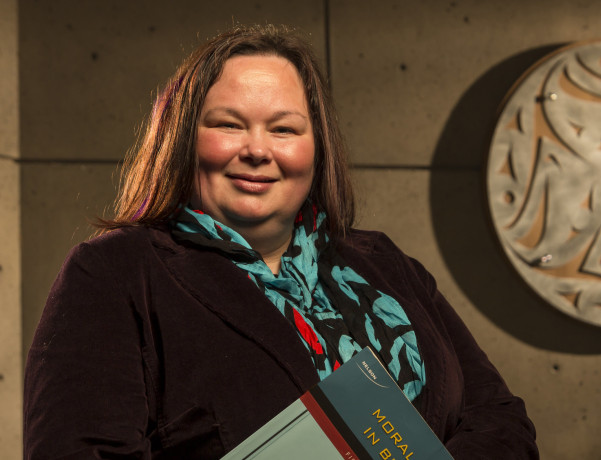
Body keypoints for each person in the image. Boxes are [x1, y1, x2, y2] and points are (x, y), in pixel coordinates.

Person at [24, 25, 538, 459]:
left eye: (284, 129)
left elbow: (502, 421)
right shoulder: (115, 272)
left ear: (316, 148)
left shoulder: (387, 265)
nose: (257, 150)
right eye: (228, 124)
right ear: (183, 138)